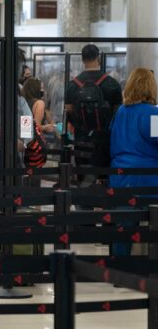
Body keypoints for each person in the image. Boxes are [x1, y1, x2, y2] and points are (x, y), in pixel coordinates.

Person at [109, 68, 158, 256]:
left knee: (123, 228)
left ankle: (118, 270)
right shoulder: (153, 114)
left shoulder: (121, 112)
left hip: (121, 176)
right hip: (147, 180)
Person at [65, 44, 122, 185]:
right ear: (98, 58)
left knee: (83, 183)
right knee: (104, 183)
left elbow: (69, 114)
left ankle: (83, 205)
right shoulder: (112, 84)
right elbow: (118, 116)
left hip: (81, 142)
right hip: (105, 143)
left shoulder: (72, 85)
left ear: (83, 60)